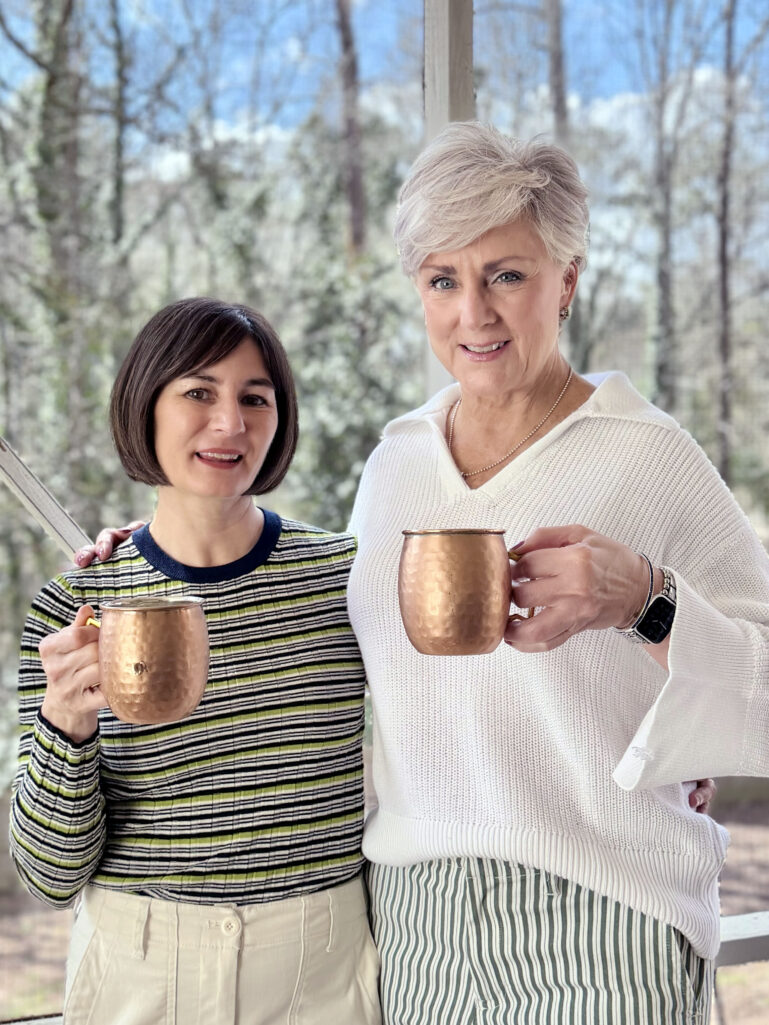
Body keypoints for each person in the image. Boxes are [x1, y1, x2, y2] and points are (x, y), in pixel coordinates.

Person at [77, 124, 758, 1025]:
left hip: (605, 908)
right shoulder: (396, 460)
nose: (472, 313)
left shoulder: (648, 456)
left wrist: (648, 601)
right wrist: (169, 540)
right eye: (444, 279)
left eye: (506, 275)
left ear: (568, 281)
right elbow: (323, 607)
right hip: (412, 919)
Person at [9, 297, 381, 1025]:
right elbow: (49, 877)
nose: (230, 422)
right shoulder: (77, 605)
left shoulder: (344, 577)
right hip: (138, 972)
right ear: (145, 406)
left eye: (254, 398)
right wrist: (65, 727)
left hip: (321, 970)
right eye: (199, 392)